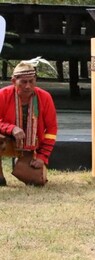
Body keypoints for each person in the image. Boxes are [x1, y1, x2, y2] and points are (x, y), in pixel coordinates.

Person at [0, 57, 58, 186]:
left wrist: (42, 157)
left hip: (33, 145)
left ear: (35, 80)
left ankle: (22, 161)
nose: (28, 86)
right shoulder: (2, 95)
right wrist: (11, 128)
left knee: (37, 182)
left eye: (31, 81)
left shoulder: (45, 97)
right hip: (7, 140)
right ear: (14, 81)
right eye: (23, 82)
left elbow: (51, 130)